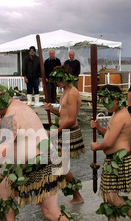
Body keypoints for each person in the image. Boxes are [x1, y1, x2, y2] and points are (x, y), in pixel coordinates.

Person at [0, 83, 93, 221]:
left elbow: (3, 150)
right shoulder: (9, 110)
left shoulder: (12, 114)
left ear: (1, 98)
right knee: (2, 192)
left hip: (41, 167)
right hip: (30, 167)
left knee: (51, 213)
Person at [91, 85, 131, 221]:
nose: (104, 105)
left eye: (106, 101)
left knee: (111, 195)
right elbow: (109, 134)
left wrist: (96, 146)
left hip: (119, 160)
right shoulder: (116, 113)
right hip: (113, 160)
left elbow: (108, 143)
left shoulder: (120, 116)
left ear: (115, 99)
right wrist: (99, 127)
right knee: (107, 194)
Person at [44, 65, 85, 205]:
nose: (56, 82)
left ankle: (77, 196)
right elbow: (64, 114)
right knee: (57, 165)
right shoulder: (65, 91)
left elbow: (72, 119)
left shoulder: (73, 92)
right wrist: (52, 109)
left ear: (67, 78)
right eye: (55, 79)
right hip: (63, 130)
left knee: (61, 166)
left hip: (69, 132)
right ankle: (55, 193)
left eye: (59, 79)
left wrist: (56, 131)